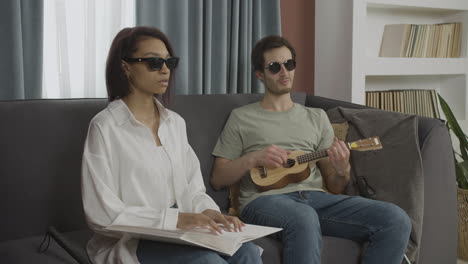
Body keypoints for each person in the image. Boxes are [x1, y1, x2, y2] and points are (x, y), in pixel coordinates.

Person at [211, 35, 412, 264]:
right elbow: (218, 178)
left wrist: (342, 168)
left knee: (395, 218)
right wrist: (252, 158)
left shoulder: (317, 117)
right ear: (260, 74)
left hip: (316, 199)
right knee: (304, 217)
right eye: (275, 67)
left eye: (289, 64)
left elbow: (336, 185)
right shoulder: (241, 117)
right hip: (263, 201)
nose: (284, 72)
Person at [81, 26, 262, 264]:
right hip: (136, 239)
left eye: (169, 62)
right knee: (209, 262)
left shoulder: (175, 123)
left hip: (181, 234)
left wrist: (209, 212)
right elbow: (102, 213)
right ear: (126, 66)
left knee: (247, 251)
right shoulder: (105, 127)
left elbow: (192, 189)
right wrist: (175, 220)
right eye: (154, 62)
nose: (165, 70)